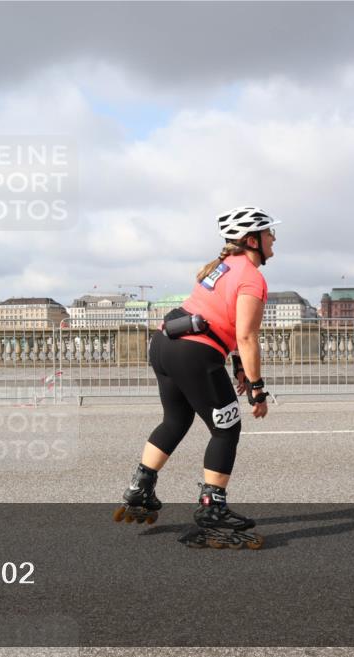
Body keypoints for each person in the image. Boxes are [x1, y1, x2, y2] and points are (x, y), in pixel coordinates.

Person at [112, 206, 280, 549]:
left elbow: (223, 319)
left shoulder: (221, 267)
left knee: (176, 419)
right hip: (194, 353)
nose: (274, 238)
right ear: (252, 240)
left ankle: (140, 487)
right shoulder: (251, 277)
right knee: (227, 428)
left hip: (165, 343)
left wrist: (237, 366)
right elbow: (247, 335)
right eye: (268, 233)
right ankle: (212, 508)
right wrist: (257, 389)